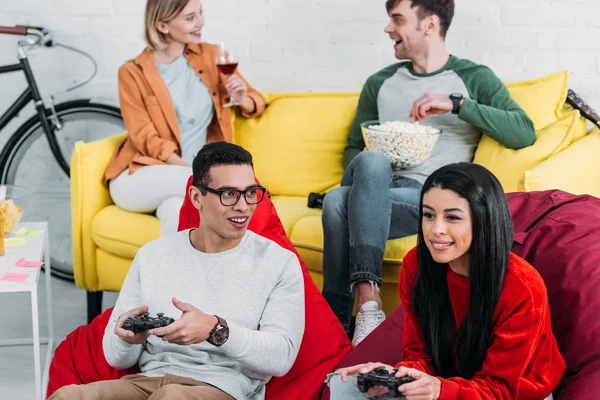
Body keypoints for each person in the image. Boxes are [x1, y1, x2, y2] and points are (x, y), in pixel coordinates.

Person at [321, 0, 536, 346]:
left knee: (335, 202)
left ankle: (333, 322)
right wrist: (368, 159)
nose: (388, 29)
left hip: (425, 197)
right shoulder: (380, 82)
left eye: (397, 19)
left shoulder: (472, 78)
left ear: (429, 24)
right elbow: (351, 148)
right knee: (372, 162)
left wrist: (457, 105)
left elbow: (523, 131)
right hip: (373, 186)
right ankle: (368, 305)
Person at [50, 142, 305, 400]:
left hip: (222, 388)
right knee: (67, 396)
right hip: (149, 382)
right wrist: (127, 339)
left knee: (172, 397)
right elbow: (116, 358)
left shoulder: (279, 263)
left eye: (250, 193)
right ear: (197, 197)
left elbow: (281, 356)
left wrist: (215, 330)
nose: (243, 206)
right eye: (228, 194)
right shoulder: (152, 255)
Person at [326, 162, 565, 400]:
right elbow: (419, 353)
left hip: (513, 393)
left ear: (484, 220)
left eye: (452, 217)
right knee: (348, 387)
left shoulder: (522, 287)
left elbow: (500, 389)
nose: (435, 229)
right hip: (450, 381)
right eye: (429, 215)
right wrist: (398, 376)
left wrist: (440, 390)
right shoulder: (416, 266)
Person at [104, 0, 266, 236]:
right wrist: (194, 170)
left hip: (185, 183)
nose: (201, 22)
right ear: (162, 26)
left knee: (176, 215)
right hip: (140, 177)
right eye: (190, 18)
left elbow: (255, 101)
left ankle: (177, 272)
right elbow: (144, 136)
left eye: (200, 14)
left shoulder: (213, 56)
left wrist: (240, 97)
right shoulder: (132, 73)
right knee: (225, 186)